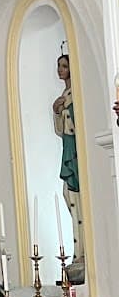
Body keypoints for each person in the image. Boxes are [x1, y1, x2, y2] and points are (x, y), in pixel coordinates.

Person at [52, 52, 84, 284]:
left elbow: (78, 120)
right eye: (59, 66)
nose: (60, 70)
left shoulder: (76, 94)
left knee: (76, 198)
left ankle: (82, 252)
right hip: (67, 149)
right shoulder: (64, 95)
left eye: (64, 66)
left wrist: (66, 109)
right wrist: (56, 110)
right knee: (68, 196)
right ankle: (77, 251)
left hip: (75, 152)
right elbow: (59, 130)